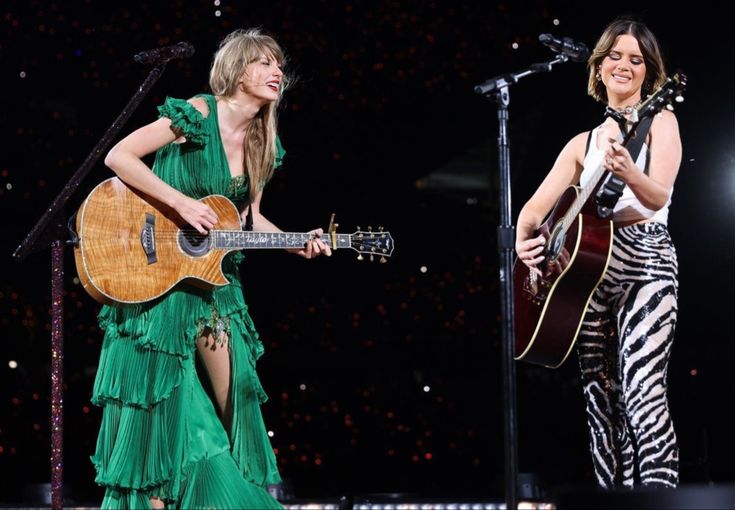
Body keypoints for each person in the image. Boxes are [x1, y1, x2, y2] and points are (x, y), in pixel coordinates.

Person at [91, 28, 330, 509]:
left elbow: (250, 220)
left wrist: (293, 242)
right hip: (158, 281)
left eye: (278, 63)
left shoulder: (264, 143)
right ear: (237, 71)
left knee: (236, 399)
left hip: (217, 284)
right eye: (263, 62)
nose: (276, 71)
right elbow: (119, 156)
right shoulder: (197, 113)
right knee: (167, 408)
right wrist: (182, 204)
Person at [515, 17, 681, 488]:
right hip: (588, 275)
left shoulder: (661, 120)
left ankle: (656, 496)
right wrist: (528, 248)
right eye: (615, 56)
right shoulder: (580, 144)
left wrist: (629, 173)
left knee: (643, 389)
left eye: (636, 59)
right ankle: (615, 496)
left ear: (649, 72)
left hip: (646, 261)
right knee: (600, 399)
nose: (624, 65)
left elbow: (658, 195)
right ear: (599, 65)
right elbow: (531, 213)